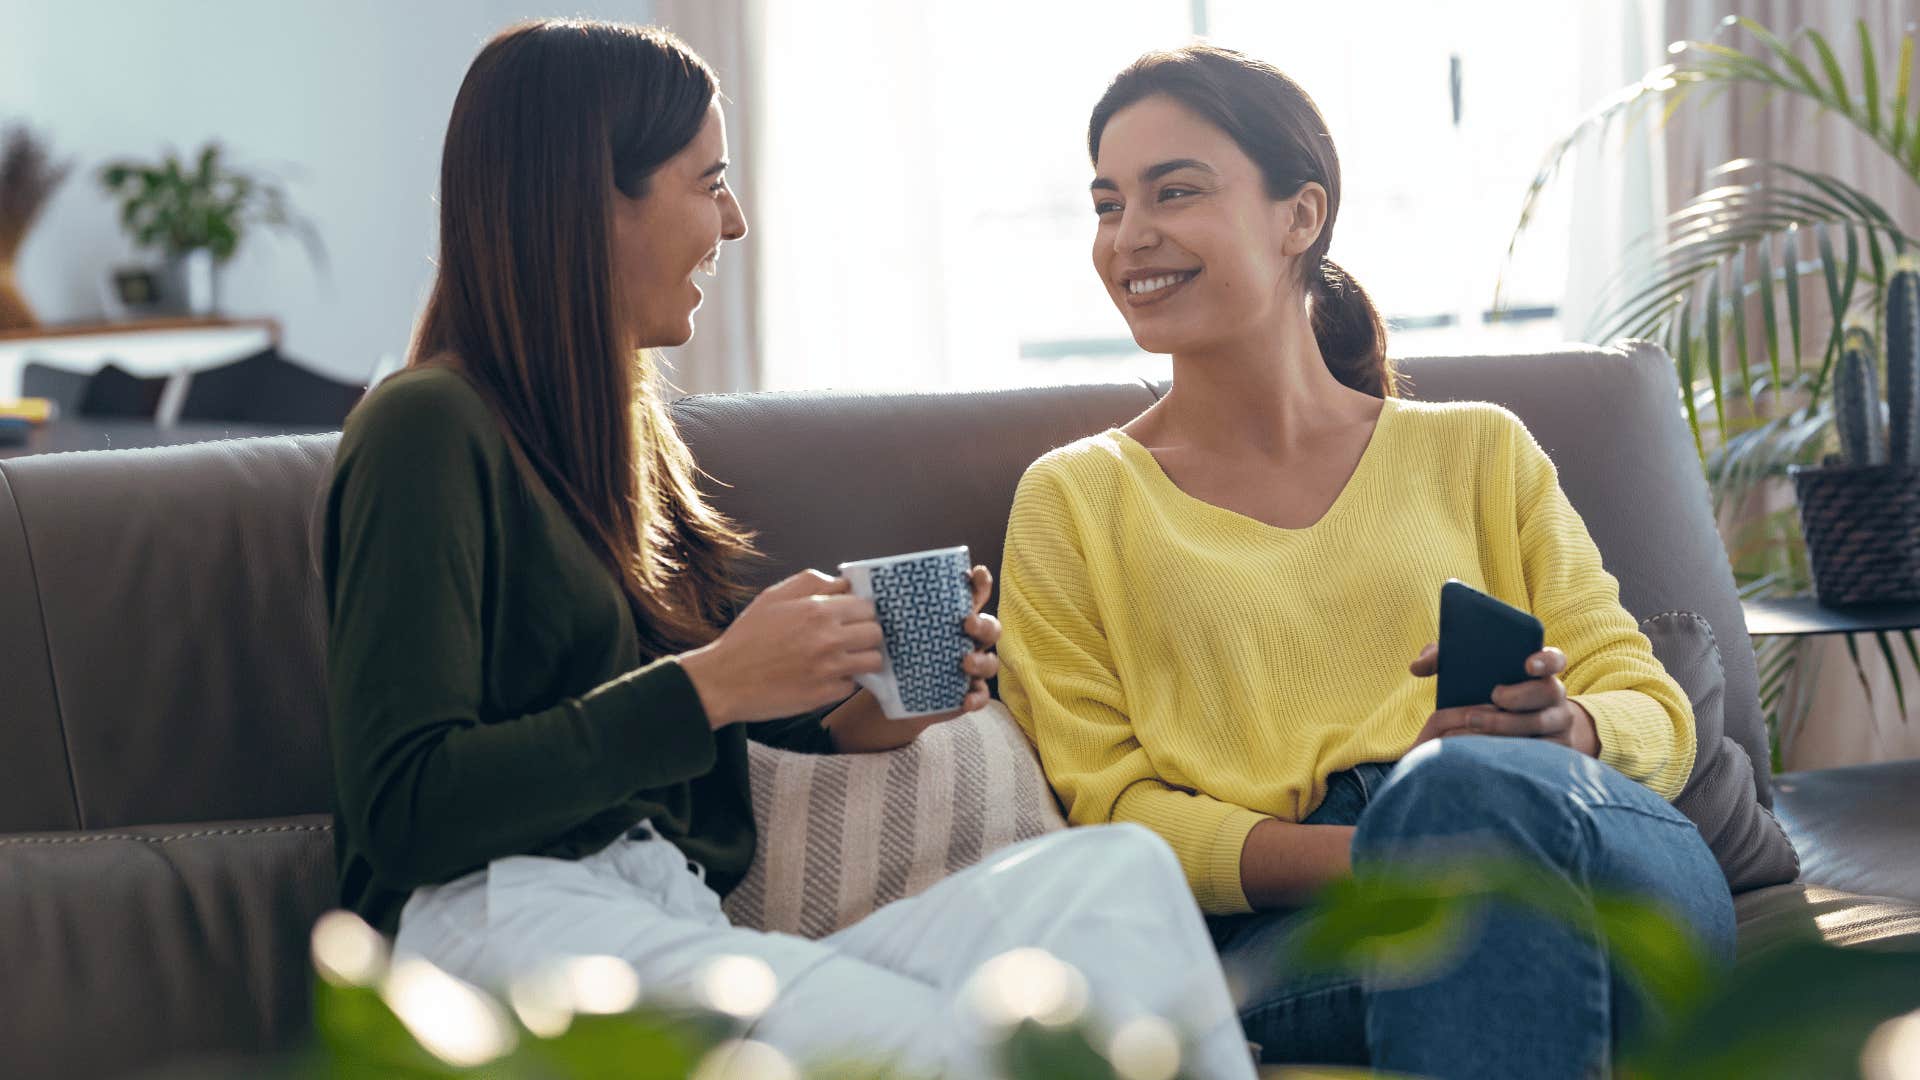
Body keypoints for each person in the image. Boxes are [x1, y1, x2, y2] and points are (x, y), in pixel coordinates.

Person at [321, 20, 1255, 1079]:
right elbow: (404, 810)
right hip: (496, 932)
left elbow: (673, 752)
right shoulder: (427, 427)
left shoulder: (619, 446)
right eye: (705, 181)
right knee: (971, 1049)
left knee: (1115, 879)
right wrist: (714, 684)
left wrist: (865, 710)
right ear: (590, 201)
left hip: (668, 917)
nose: (734, 219)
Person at [996, 44, 1735, 1079]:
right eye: (1108, 203)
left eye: (1175, 191)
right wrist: (1402, 856)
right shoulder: (1075, 499)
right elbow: (1109, 806)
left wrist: (1571, 728)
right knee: (1477, 868)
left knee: (1473, 789)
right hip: (1310, 915)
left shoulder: (1479, 448)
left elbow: (1654, 710)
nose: (1130, 236)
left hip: (1585, 837)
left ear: (1300, 215)